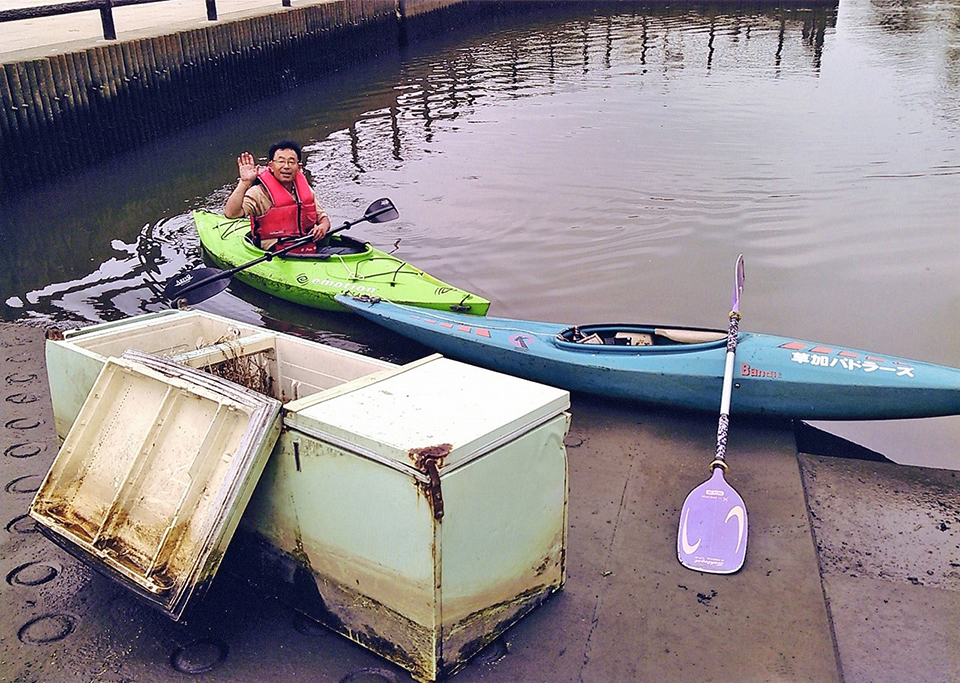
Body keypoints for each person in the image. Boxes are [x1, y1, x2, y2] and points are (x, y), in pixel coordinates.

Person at [224, 140, 331, 254]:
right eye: (281, 161)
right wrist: (244, 183)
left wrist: (323, 227)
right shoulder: (258, 193)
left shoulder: (305, 190)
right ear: (271, 166)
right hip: (276, 253)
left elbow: (323, 219)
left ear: (299, 167)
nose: (286, 167)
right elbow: (231, 214)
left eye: (291, 162)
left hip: (308, 246)